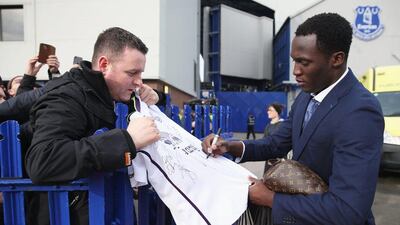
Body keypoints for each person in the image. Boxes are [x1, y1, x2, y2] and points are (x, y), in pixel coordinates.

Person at [202, 13, 384, 225]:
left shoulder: (360, 111)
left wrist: (271, 199)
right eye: (294, 60)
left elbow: (348, 210)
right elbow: (276, 143)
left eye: (304, 62)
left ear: (337, 59)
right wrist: (230, 147)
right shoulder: (307, 95)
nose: (296, 71)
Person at [24, 27, 161, 225]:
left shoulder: (103, 91)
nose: (139, 82)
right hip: (64, 215)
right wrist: (126, 141)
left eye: (141, 73)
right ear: (104, 64)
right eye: (132, 73)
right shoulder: (66, 97)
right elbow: (43, 160)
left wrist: (158, 96)